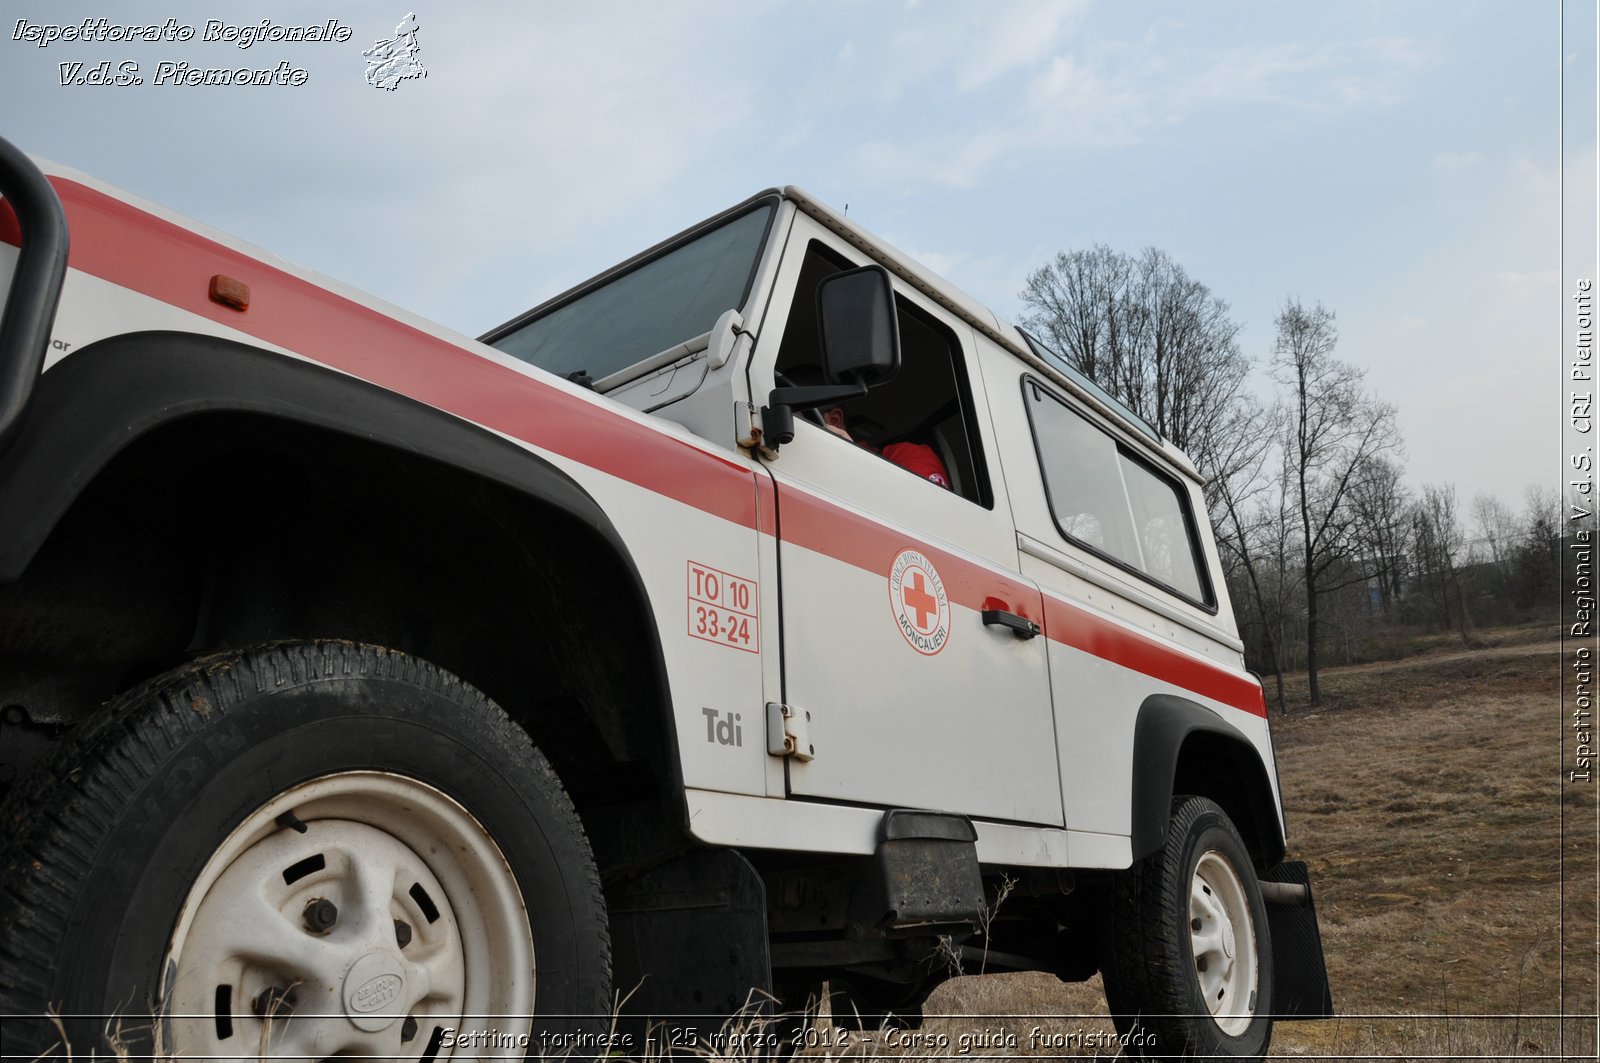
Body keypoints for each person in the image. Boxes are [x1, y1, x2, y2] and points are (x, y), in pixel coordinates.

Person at [820, 406, 952, 491]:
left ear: (834, 420)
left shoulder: (907, 455)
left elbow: (929, 516)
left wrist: (856, 467)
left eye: (800, 419)